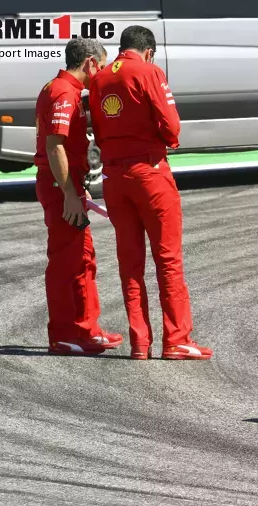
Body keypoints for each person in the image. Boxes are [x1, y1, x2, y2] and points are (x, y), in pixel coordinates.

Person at [90, 25, 212, 360]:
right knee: (168, 259)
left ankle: (139, 343)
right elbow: (171, 124)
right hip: (150, 173)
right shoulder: (149, 71)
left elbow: (98, 129)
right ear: (148, 50)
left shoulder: (99, 78)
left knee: (130, 264)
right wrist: (167, 141)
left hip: (114, 175)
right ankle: (176, 340)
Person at [34, 38, 122, 355]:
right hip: (61, 188)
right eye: (101, 64)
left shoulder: (59, 88)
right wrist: (69, 192)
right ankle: (63, 335)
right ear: (89, 63)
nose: (101, 72)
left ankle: (88, 330)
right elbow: (54, 145)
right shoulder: (62, 92)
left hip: (67, 184)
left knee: (84, 260)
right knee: (65, 264)